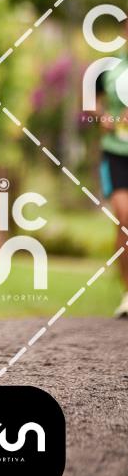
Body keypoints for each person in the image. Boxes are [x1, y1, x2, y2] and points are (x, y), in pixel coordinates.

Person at [96, 46, 128, 317]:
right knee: (124, 218)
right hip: (116, 154)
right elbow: (93, 103)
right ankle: (127, 292)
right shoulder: (108, 67)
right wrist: (102, 116)